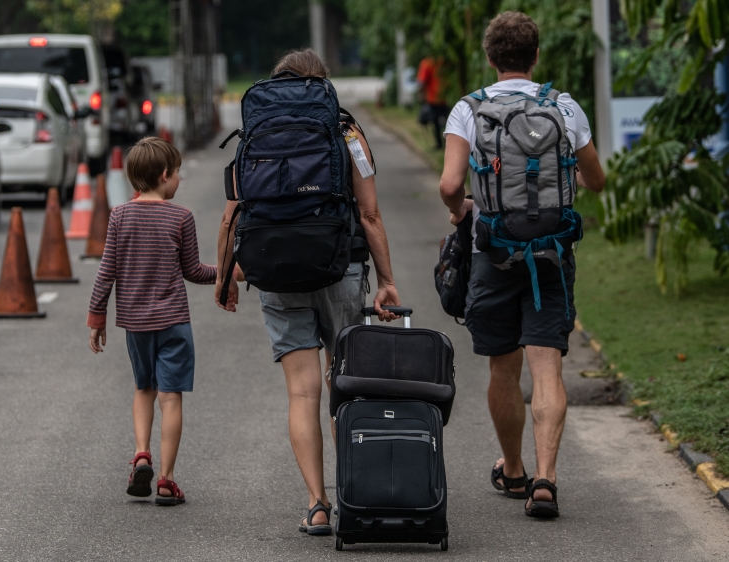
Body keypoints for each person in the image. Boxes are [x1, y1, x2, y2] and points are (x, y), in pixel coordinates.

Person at [215, 49, 402, 535]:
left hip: (274, 269)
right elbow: (371, 214)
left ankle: (318, 505)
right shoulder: (346, 131)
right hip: (337, 267)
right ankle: (356, 497)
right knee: (345, 387)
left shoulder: (254, 131)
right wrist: (386, 280)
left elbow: (233, 212)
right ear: (323, 85)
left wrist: (225, 275)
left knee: (302, 393)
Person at [439, 12, 606, 518]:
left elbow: (449, 185)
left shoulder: (468, 110)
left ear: (490, 58)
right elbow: (596, 180)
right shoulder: (565, 107)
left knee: (502, 367)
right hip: (552, 254)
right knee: (547, 365)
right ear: (536, 56)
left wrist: (458, 211)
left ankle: (513, 469)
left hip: (493, 252)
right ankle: (547, 478)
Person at [88, 137, 217, 506]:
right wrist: (226, 274)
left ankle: (141, 453)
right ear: (164, 175)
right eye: (177, 174)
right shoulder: (181, 217)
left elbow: (106, 272)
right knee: (170, 395)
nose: (179, 181)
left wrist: (97, 316)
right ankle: (166, 479)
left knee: (144, 388)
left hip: (135, 325)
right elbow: (193, 271)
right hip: (174, 322)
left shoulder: (119, 216)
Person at [417, 56, 448, 150]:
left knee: (435, 122)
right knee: (447, 121)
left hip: (433, 97)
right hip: (446, 97)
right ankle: (447, 142)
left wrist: (421, 95)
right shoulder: (445, 60)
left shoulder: (426, 63)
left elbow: (422, 81)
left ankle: (439, 144)